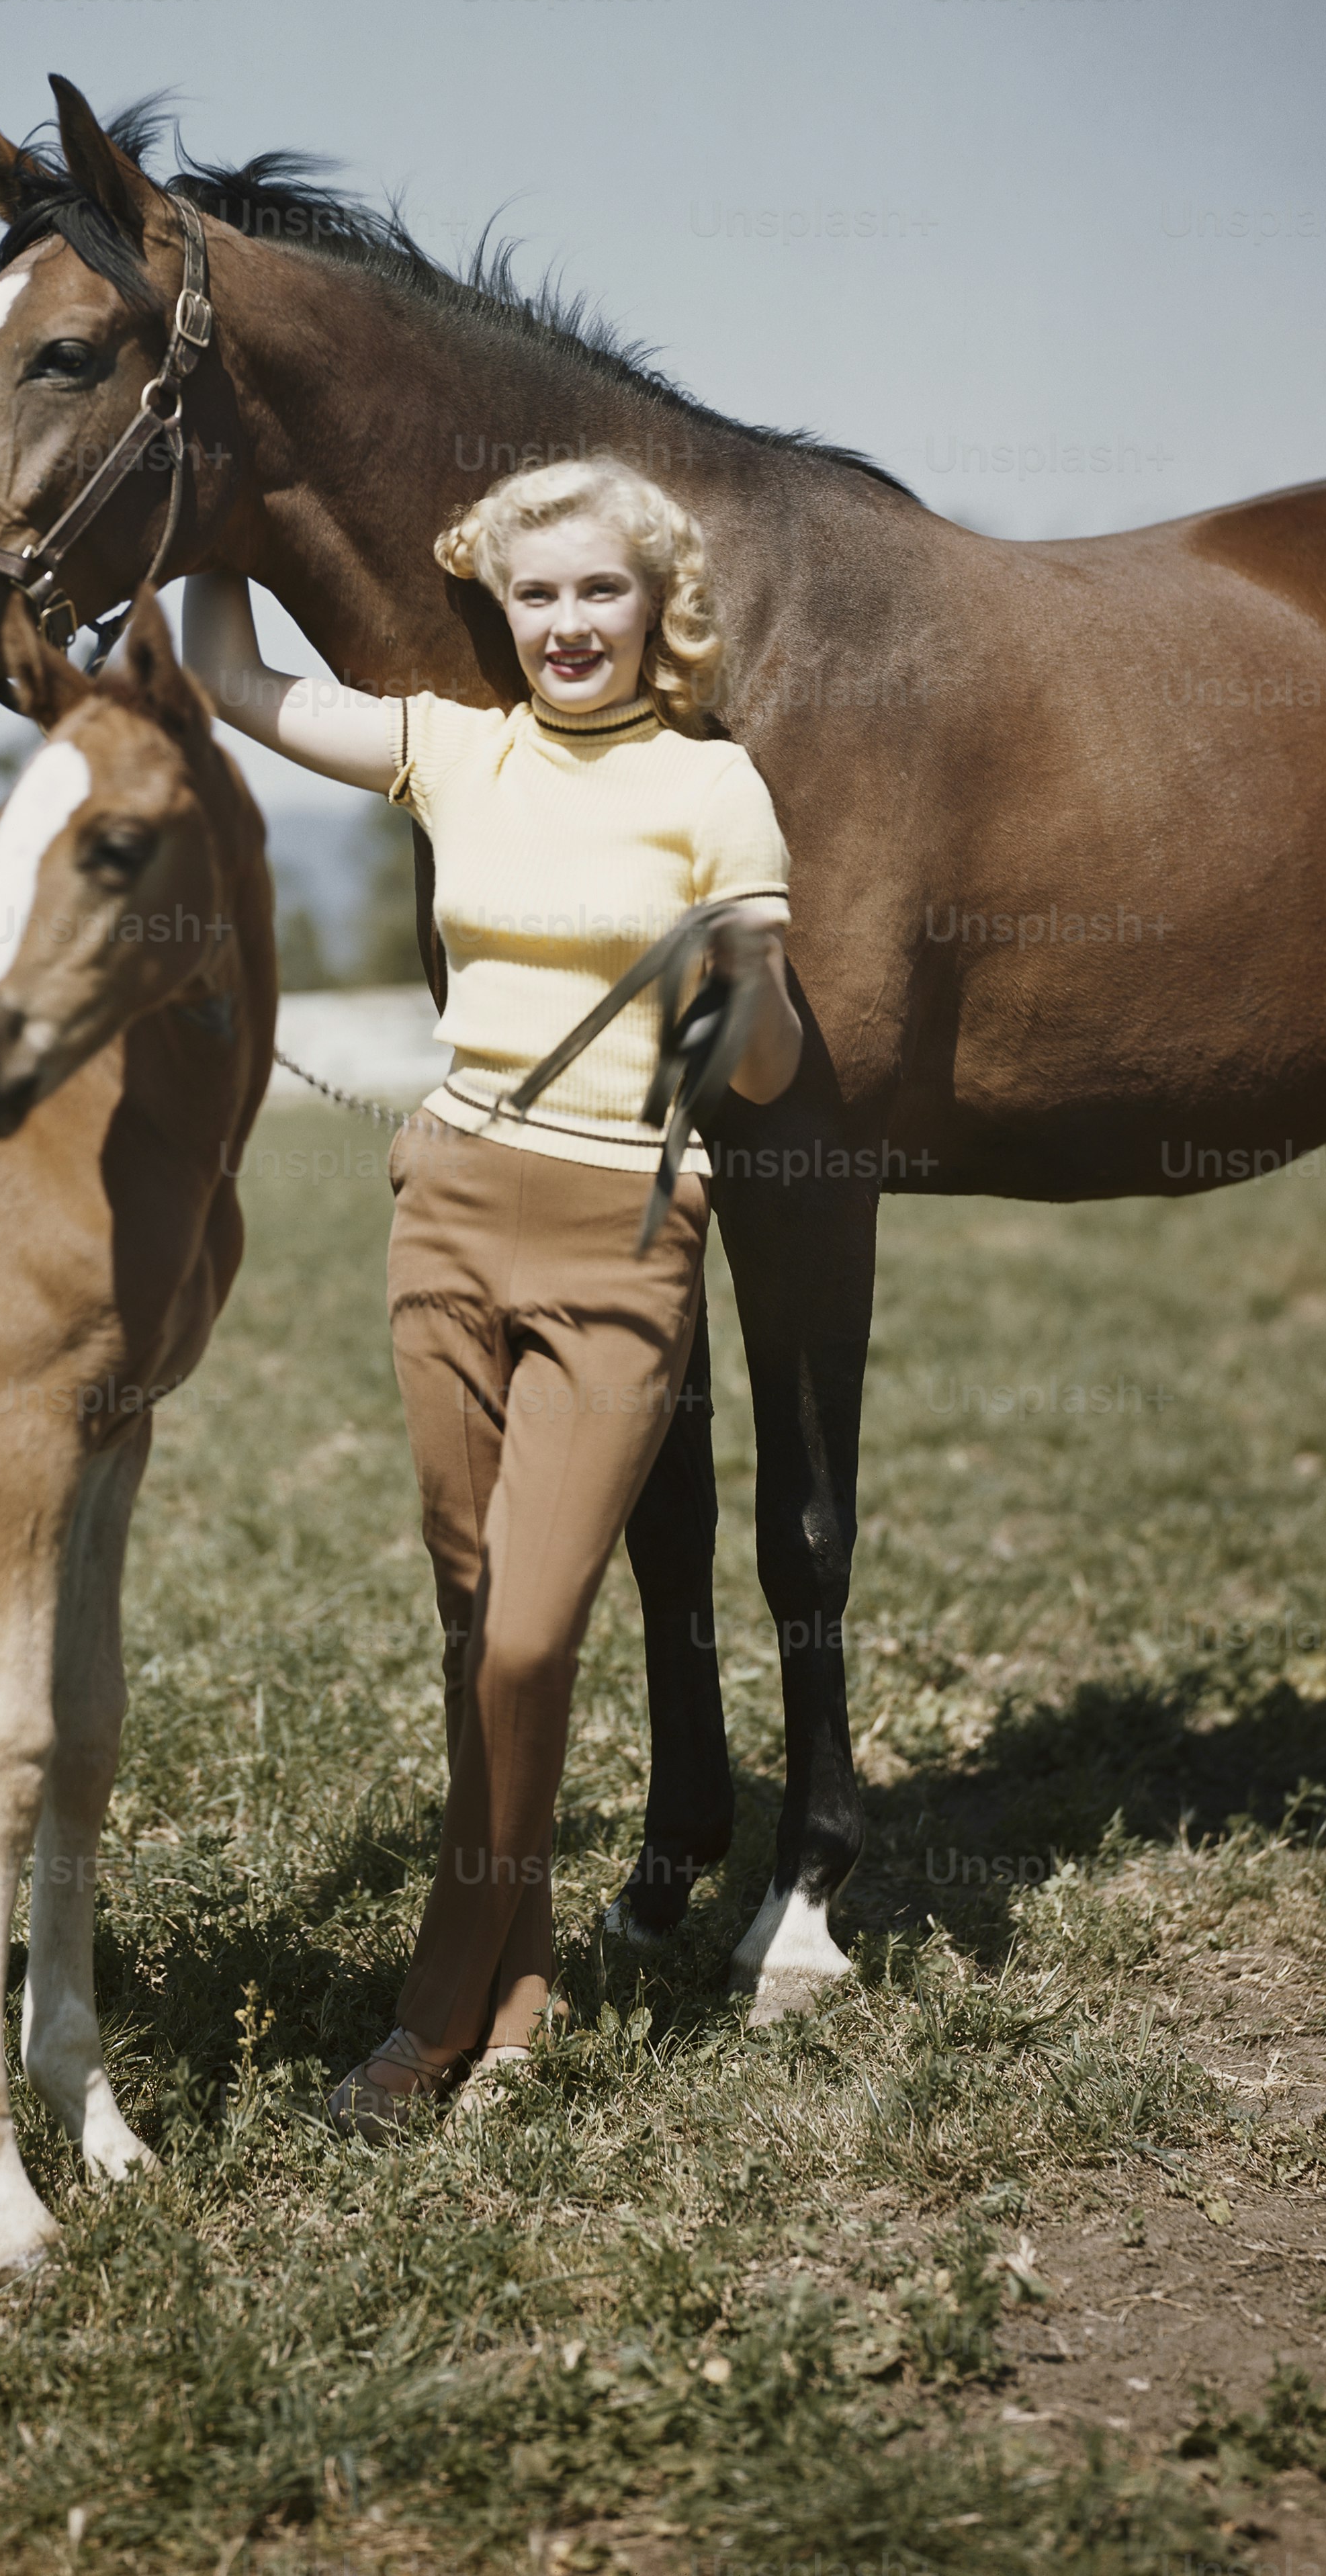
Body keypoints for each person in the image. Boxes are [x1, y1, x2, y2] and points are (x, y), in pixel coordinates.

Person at [180, 458, 802, 2131]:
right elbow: (232, 683)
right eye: (537, 595)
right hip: (446, 1210)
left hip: (624, 1235)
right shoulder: (460, 750)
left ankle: (422, 2024)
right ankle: (518, 2018)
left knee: (528, 1640)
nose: (568, 624)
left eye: (600, 590)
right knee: (474, 1644)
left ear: (655, 603)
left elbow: (766, 1068)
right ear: (502, 610)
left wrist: (743, 982)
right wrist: (217, 525)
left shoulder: (714, 788)